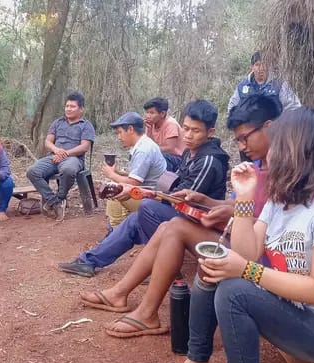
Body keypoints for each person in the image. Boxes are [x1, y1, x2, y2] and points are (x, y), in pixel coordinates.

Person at [162, 107, 314, 363]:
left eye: (277, 145)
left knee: (235, 290)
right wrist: (244, 198)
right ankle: (198, 361)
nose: (268, 153)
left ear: (299, 151)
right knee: (216, 269)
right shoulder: (282, 200)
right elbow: (246, 253)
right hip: (301, 314)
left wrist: (246, 271)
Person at [77, 94, 281, 339]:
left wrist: (233, 214)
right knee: (165, 226)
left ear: (269, 127)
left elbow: (265, 222)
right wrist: (209, 202)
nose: (240, 146)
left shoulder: (281, 172)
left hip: (254, 254)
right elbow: (241, 206)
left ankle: (146, 312)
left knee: (170, 224)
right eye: (238, 139)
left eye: (244, 138)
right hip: (237, 237)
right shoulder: (257, 167)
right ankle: (120, 293)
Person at [58, 100, 229, 277]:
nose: (188, 135)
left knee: (147, 208)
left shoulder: (209, 160)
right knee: (136, 219)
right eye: (185, 129)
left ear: (210, 132)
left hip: (200, 221)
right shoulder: (189, 153)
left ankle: (167, 266)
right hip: (182, 211)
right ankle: (89, 261)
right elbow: (173, 182)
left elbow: (184, 199)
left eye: (196, 131)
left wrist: (143, 193)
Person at [26, 91, 95, 221]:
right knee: (32, 171)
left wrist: (65, 153)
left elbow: (84, 147)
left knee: (68, 169)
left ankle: (61, 196)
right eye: (67, 106)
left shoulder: (86, 125)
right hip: (54, 157)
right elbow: (48, 142)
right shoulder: (58, 123)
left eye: (72, 106)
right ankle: (55, 202)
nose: (68, 109)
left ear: (81, 109)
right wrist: (56, 150)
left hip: (74, 158)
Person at [102, 112, 166, 228]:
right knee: (118, 185)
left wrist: (111, 175)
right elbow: (137, 176)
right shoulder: (143, 144)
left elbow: (133, 183)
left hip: (154, 200)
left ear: (130, 129)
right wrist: (117, 173)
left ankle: (116, 230)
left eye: (120, 132)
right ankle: (123, 224)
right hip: (150, 193)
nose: (119, 137)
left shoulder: (143, 150)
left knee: (113, 190)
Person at [228, 51, 301, 112]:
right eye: (257, 65)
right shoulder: (242, 87)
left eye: (264, 64)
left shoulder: (279, 85)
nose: (261, 68)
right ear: (252, 67)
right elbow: (231, 109)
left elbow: (294, 107)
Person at [143, 97, 185, 172]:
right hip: (161, 154)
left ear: (162, 114)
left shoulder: (171, 124)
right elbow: (148, 144)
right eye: (147, 112)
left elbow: (170, 148)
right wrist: (148, 130)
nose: (148, 116)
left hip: (177, 159)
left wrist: (151, 150)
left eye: (152, 113)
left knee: (161, 157)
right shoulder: (151, 124)